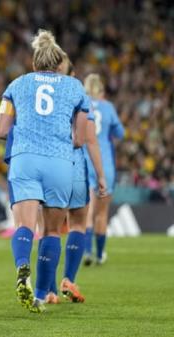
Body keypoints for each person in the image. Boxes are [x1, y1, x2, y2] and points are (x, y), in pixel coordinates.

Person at [0, 29, 89, 313]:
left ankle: (23, 265)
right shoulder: (75, 88)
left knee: (25, 226)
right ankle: (38, 296)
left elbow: (0, 130)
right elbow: (80, 139)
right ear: (59, 65)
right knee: (51, 231)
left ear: (35, 63)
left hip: (25, 159)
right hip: (59, 162)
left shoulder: (17, 84)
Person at [44, 56, 108, 305]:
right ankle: (68, 278)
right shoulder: (78, 92)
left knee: (48, 228)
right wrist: (101, 175)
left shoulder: (35, 88)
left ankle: (48, 289)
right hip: (73, 163)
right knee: (78, 222)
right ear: (72, 72)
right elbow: (89, 139)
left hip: (46, 162)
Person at [82, 74, 125, 266]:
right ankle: (99, 254)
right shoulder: (107, 107)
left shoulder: (81, 104)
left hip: (84, 161)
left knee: (86, 211)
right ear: (101, 90)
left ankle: (87, 252)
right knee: (102, 213)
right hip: (104, 163)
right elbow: (120, 133)